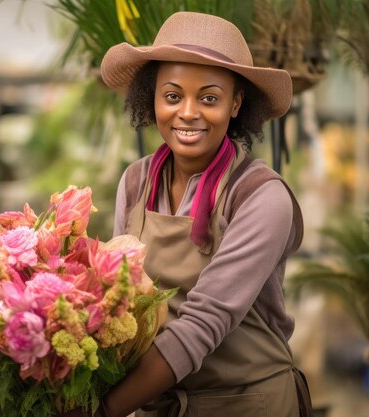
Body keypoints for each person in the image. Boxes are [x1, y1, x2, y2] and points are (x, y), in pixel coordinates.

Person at [60, 11, 311, 417]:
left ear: (236, 103)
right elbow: (120, 304)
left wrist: (102, 411)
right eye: (173, 96)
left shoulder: (260, 197)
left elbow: (202, 324)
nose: (188, 112)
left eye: (209, 98)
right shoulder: (136, 181)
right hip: (156, 403)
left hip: (247, 403)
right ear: (153, 98)